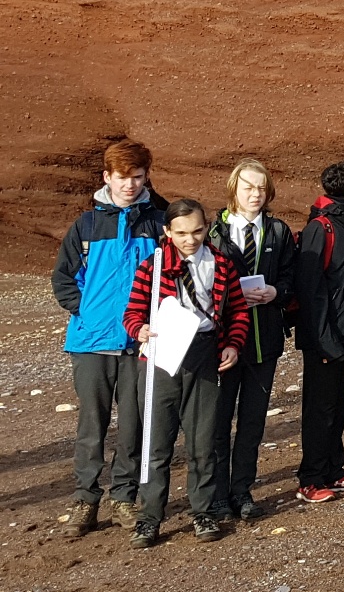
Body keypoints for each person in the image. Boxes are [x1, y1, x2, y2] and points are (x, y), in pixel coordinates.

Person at [55, 140, 166, 539]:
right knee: (91, 425)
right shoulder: (85, 225)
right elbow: (63, 278)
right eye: (122, 177)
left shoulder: (159, 222)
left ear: (146, 177)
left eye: (138, 177)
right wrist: (86, 312)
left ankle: (123, 497)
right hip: (91, 343)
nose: (130, 185)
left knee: (134, 424)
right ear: (107, 177)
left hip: (141, 341)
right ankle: (85, 499)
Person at [124, 199, 250, 547]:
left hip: (204, 353)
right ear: (167, 231)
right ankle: (149, 517)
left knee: (203, 440)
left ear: (206, 228)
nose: (189, 239)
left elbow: (238, 310)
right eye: (181, 233)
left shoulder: (221, 264)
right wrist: (139, 330)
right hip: (160, 357)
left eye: (196, 231)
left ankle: (203, 512)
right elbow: (132, 312)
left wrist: (233, 344)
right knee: (156, 442)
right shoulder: (152, 266)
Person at [206, 158, 297, 522]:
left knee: (252, 422)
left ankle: (241, 490)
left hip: (264, 340)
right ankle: (216, 495)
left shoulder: (277, 231)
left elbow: (292, 277)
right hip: (224, 344)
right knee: (217, 422)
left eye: (261, 188)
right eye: (248, 187)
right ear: (234, 189)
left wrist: (276, 292)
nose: (255, 194)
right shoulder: (214, 232)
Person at [293, 160, 344, 503]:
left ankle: (333, 470)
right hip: (325, 337)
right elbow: (311, 290)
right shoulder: (322, 228)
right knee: (320, 408)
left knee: (336, 405)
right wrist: (325, 340)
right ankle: (311, 478)